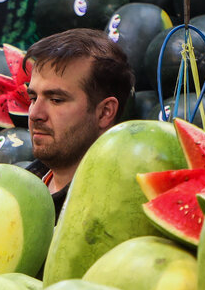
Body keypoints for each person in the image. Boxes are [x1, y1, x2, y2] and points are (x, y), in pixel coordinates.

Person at [24, 28, 135, 217]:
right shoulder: (23, 186)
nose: (35, 114)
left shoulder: (117, 208)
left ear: (105, 112)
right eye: (33, 98)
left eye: (56, 100)